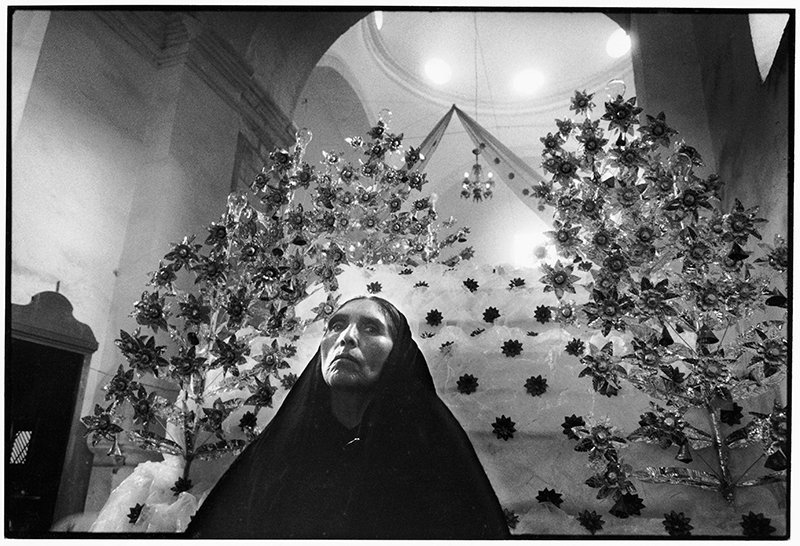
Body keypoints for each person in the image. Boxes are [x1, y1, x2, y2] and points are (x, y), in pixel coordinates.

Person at [186, 296, 510, 539]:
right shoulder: (283, 446)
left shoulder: (434, 450)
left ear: (398, 355)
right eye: (336, 325)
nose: (347, 337)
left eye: (371, 328)